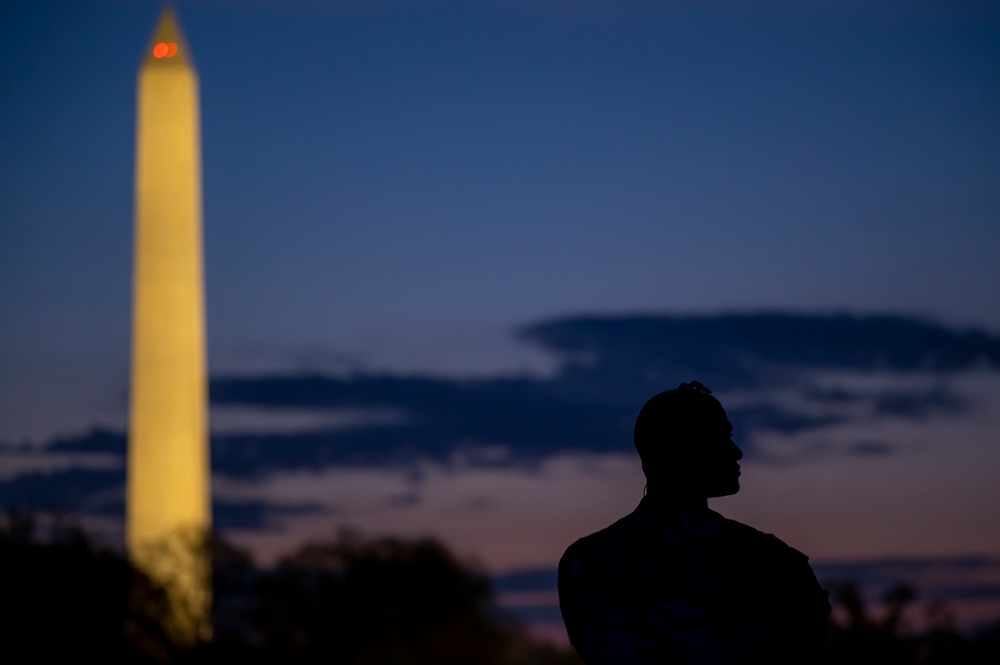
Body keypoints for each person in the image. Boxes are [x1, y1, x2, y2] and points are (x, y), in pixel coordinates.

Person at [558, 381, 830, 664]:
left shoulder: (582, 561)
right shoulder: (768, 561)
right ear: (685, 448)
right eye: (721, 437)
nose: (736, 452)